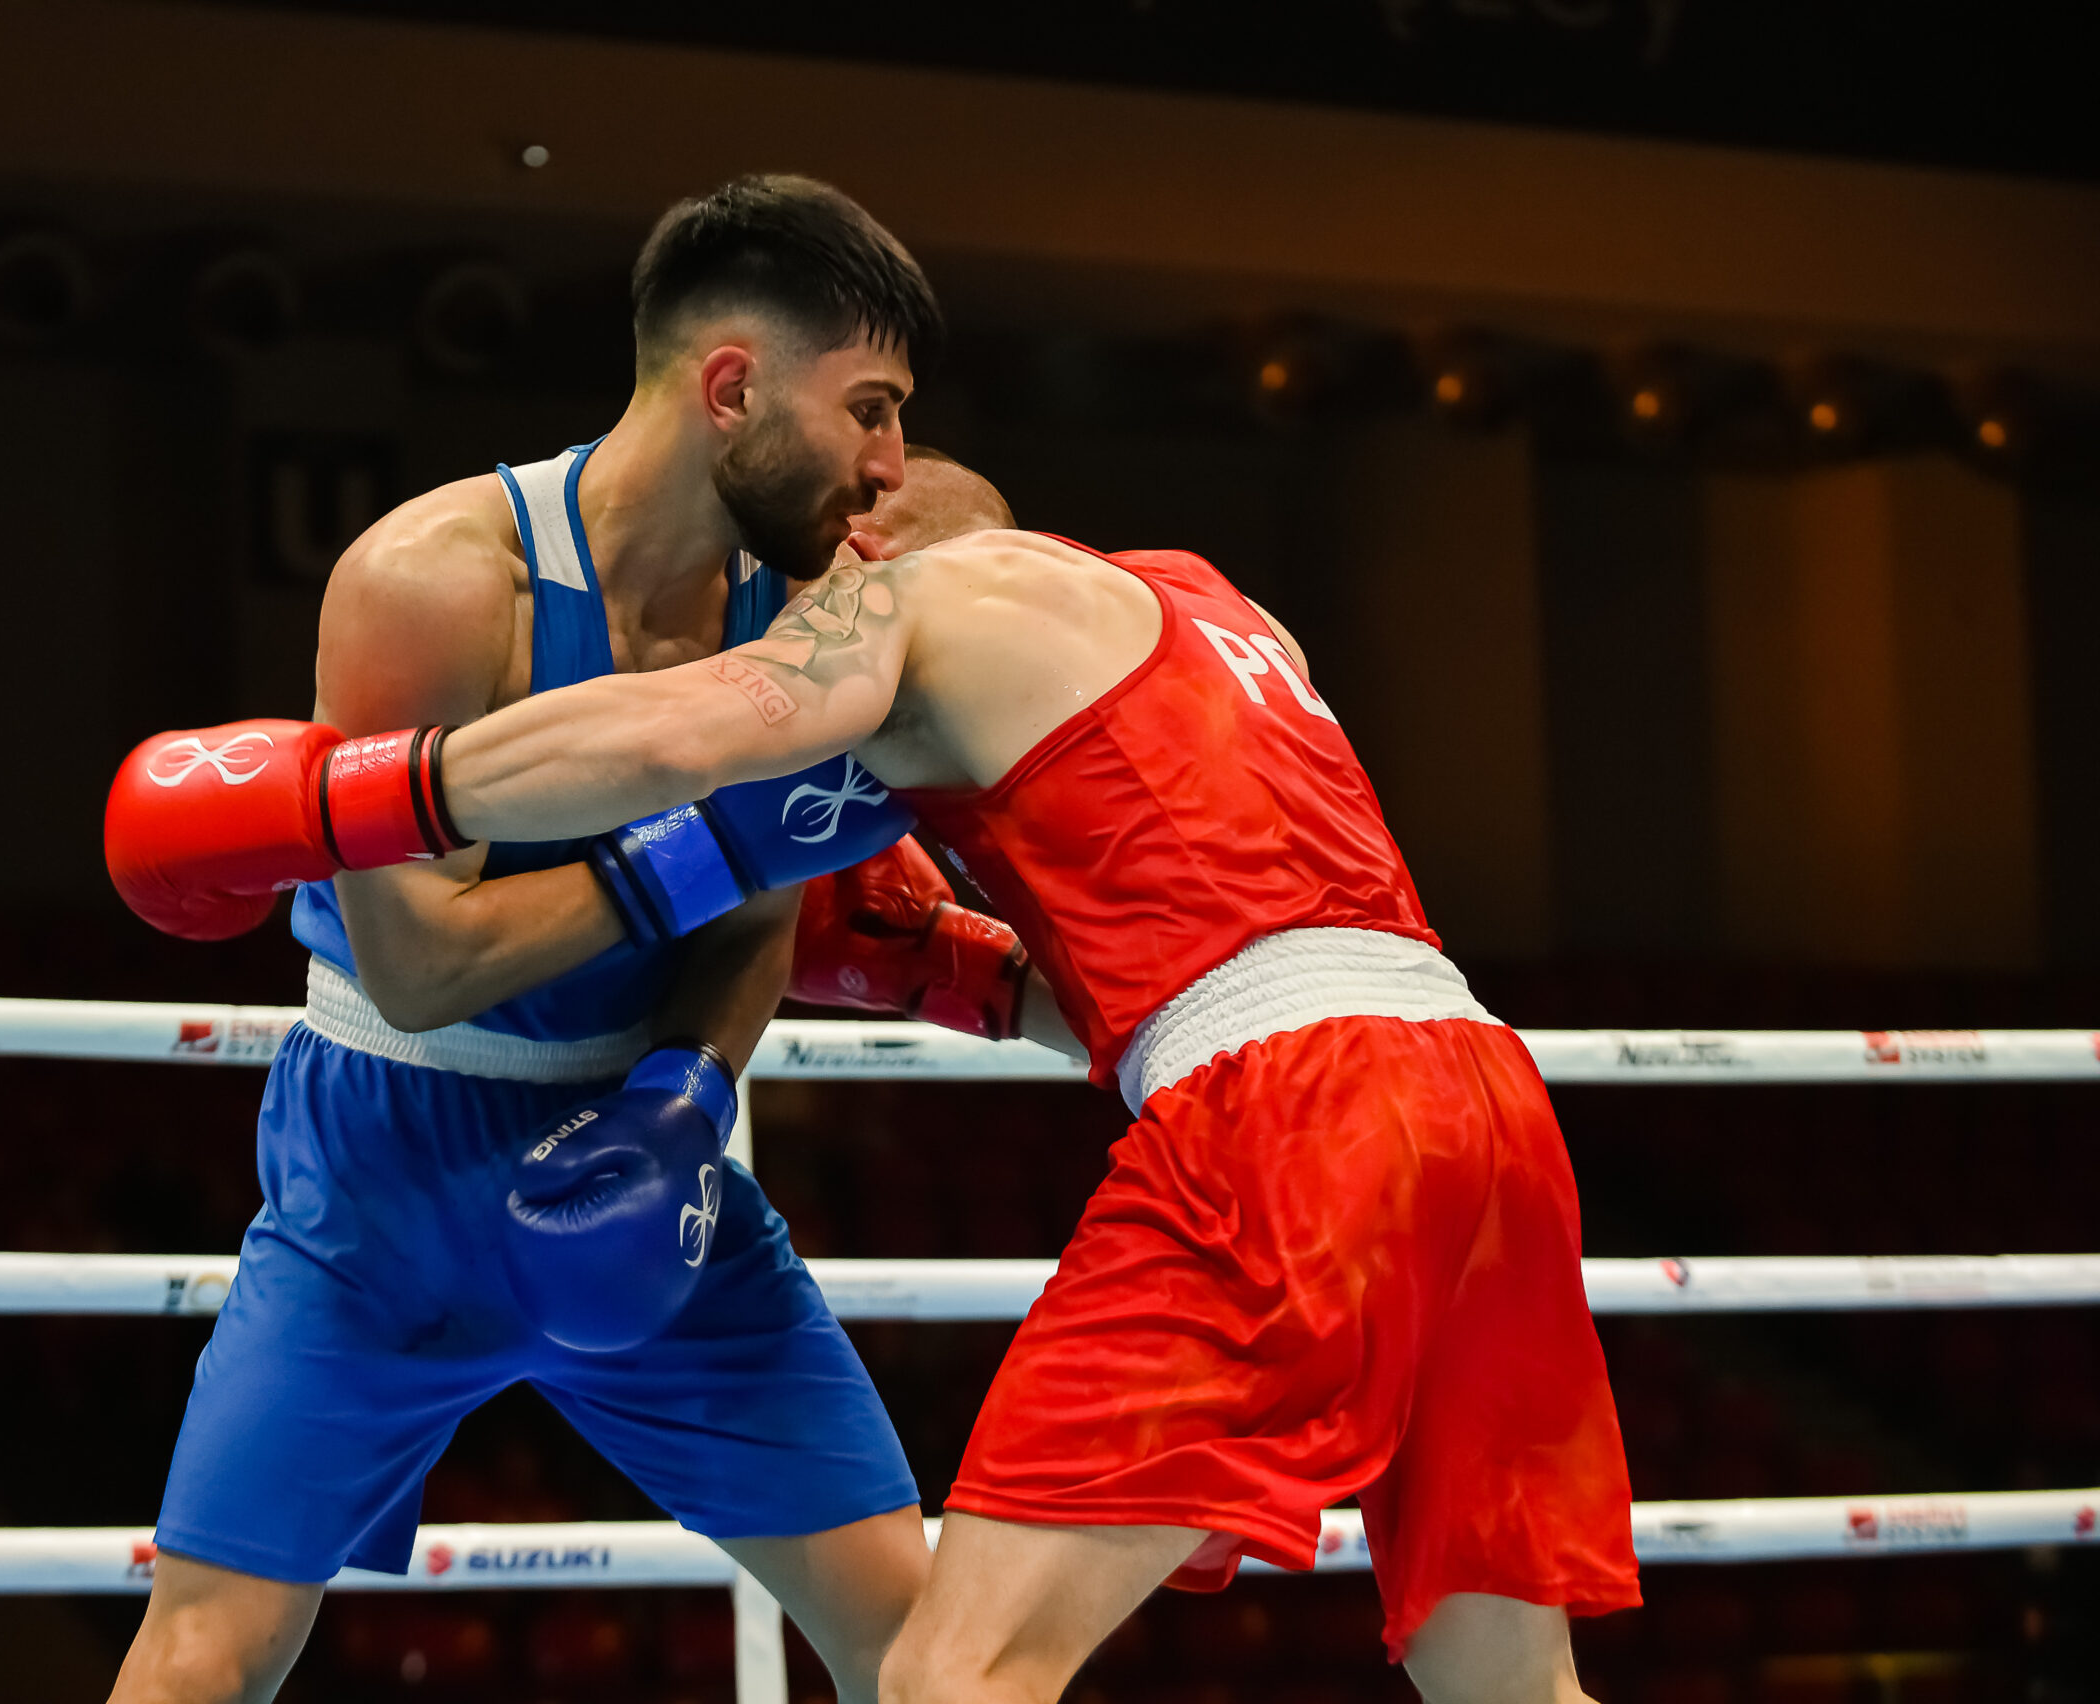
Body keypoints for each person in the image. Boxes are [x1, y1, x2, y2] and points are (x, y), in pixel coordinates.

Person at [268, 450, 1645, 1701]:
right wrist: (949, 964)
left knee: (954, 1677)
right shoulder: (1202, 601)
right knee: (1509, 1686)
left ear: (863, 542)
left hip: (1291, 1119)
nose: (780, 619)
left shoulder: (898, 599)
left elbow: (668, 734)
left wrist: (357, 799)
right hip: (1481, 1100)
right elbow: (1199, 952)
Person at [96, 177, 974, 1704]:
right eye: (870, 410)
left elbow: (758, 916)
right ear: (731, 387)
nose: (891, 465)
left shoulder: (807, 605)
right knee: (202, 1661)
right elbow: (420, 967)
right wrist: (697, 853)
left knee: (926, 1647)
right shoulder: (435, 585)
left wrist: (687, 1093)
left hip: (648, 1133)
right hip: (385, 1174)